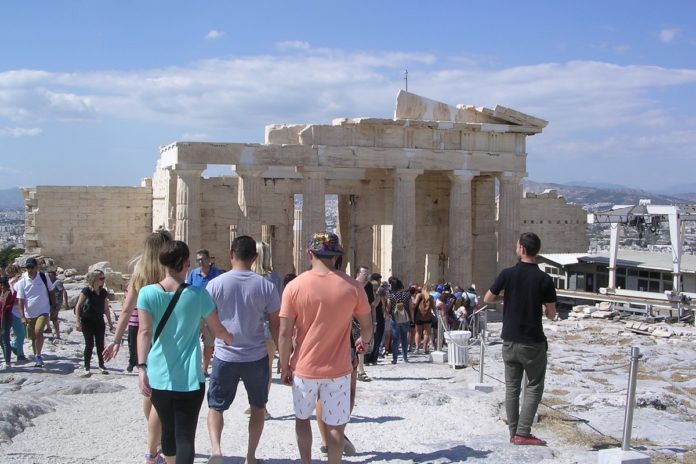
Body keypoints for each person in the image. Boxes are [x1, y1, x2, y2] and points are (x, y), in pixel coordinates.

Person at [278, 231, 372, 464]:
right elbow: (367, 326)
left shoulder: (294, 286)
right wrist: (364, 342)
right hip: (338, 370)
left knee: (302, 420)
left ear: (310, 254)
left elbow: (285, 333)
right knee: (336, 428)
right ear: (336, 256)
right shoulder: (353, 286)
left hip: (304, 367)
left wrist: (284, 365)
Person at [137, 240, 233, 464]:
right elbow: (217, 330)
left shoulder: (146, 293)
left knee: (168, 432)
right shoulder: (198, 295)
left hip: (159, 375)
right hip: (189, 378)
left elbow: (144, 332)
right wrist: (230, 338)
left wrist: (141, 368)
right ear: (185, 263)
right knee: (185, 436)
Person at [206, 236, 280, 464]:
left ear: (231, 254)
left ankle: (216, 450)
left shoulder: (215, 284)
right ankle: (250, 457)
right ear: (254, 258)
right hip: (256, 355)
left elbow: (207, 319)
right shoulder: (266, 286)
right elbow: (276, 325)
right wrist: (283, 355)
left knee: (216, 406)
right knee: (258, 406)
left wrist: (219, 336)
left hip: (224, 354)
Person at [103, 230, 172, 464]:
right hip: (166, 337)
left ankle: (155, 439)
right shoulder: (170, 272)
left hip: (143, 337)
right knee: (164, 393)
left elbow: (126, 309)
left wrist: (116, 339)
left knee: (149, 391)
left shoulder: (139, 273)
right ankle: (155, 446)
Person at [484, 232, 557, 446]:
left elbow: (488, 298)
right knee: (534, 387)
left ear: (522, 249)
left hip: (509, 340)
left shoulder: (507, 274)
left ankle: (513, 432)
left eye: (517, 245)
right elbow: (552, 314)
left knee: (512, 388)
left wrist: (506, 297)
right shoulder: (544, 279)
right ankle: (523, 432)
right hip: (532, 342)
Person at [250, 240, 283, 419]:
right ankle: (261, 405)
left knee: (250, 367)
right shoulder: (274, 278)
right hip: (268, 328)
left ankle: (254, 403)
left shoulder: (246, 277)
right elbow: (280, 305)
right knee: (266, 368)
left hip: (248, 327)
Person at [186, 248, 224, 378]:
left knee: (209, 342)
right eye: (198, 260)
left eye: (202, 260)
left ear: (209, 259)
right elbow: (187, 292)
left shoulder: (217, 274)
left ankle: (205, 368)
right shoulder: (193, 274)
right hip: (195, 313)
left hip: (211, 313)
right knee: (191, 341)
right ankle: (191, 367)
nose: (200, 262)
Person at [15, 257, 56, 367]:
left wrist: (54, 307)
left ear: (36, 267)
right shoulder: (22, 282)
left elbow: (51, 291)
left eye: (32, 267)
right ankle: (36, 355)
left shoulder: (43, 277)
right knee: (33, 337)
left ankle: (38, 356)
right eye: (28, 267)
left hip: (43, 310)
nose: (30, 269)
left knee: (38, 331)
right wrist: (22, 316)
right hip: (29, 313)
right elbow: (20, 300)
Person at [75, 270, 114, 374]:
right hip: (87, 321)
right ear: (95, 279)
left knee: (100, 344)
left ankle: (101, 365)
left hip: (99, 321)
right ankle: (86, 366)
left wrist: (111, 324)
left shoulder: (103, 292)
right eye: (101, 278)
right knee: (89, 344)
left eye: (104, 278)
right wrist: (77, 321)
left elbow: (106, 309)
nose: (103, 280)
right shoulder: (86, 291)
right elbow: (78, 305)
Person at [386, 276, 411, 364]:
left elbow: (388, 307)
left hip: (395, 319)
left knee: (395, 339)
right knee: (404, 338)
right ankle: (405, 357)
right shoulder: (407, 295)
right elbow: (410, 307)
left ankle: (395, 359)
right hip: (405, 318)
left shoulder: (391, 295)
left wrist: (387, 314)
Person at [5, 265, 26, 363]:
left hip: (17, 310)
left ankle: (15, 348)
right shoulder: (13, 282)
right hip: (15, 310)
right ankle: (19, 353)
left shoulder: (16, 281)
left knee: (21, 333)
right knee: (21, 333)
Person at [47, 268, 68, 339]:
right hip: (51, 302)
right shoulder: (50, 282)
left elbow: (63, 291)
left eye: (50, 275)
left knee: (54, 319)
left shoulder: (57, 282)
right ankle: (49, 329)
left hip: (56, 303)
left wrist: (66, 302)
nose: (49, 277)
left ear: (54, 275)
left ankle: (58, 335)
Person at [1, 277, 16, 370]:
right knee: (1, 341)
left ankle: (8, 362)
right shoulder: (1, 293)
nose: (2, 287)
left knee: (5, 340)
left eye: (2, 285)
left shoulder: (9, 293)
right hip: (1, 319)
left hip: (6, 319)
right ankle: (7, 358)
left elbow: (8, 307)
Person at [414, 288, 434, 353]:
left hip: (419, 316)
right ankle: (425, 348)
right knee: (426, 333)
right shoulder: (431, 297)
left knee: (418, 332)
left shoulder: (419, 295)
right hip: (428, 317)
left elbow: (415, 304)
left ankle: (417, 348)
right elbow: (433, 307)